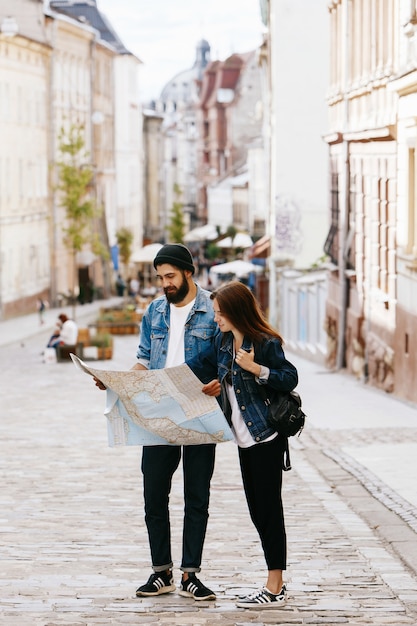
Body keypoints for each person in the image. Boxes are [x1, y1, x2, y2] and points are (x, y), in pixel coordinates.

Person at [97, 244, 219, 600]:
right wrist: (116, 379)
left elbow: (228, 358)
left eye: (170, 276)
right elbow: (144, 361)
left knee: (197, 495)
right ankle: (160, 572)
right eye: (160, 278)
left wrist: (221, 381)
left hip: (199, 411)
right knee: (154, 495)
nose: (165, 284)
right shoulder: (153, 312)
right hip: (159, 414)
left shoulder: (214, 309)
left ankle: (190, 575)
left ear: (188, 272)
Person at [186, 281, 298, 609]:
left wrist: (256, 369)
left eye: (220, 313)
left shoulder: (264, 343)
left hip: (266, 437)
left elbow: (289, 377)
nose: (216, 318)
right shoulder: (222, 344)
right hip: (243, 441)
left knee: (268, 510)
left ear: (236, 312)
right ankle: (273, 581)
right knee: (257, 510)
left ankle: (275, 586)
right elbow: (195, 369)